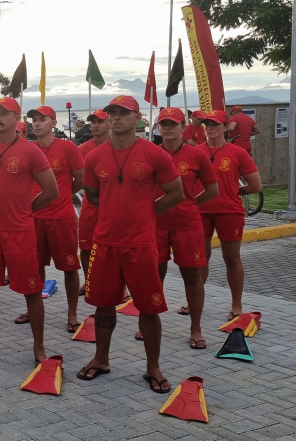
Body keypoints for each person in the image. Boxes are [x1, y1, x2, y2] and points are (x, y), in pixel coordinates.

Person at [78, 95, 183, 394]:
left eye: (124, 113)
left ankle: (152, 367)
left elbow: (176, 192)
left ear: (138, 118)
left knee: (149, 308)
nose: (116, 118)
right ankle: (101, 358)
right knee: (103, 304)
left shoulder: (154, 154)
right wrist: (115, 210)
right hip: (106, 242)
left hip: (141, 244)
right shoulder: (95, 157)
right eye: (112, 113)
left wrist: (147, 212)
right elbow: (92, 195)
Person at [0, 97, 58, 364]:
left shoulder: (30, 151)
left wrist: (26, 208)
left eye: (5, 113)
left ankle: (38, 347)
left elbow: (52, 191)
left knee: (31, 290)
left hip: (20, 230)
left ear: (18, 119)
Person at [148, 107, 218, 349]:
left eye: (172, 124)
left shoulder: (196, 155)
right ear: (157, 127)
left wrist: (188, 203)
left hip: (187, 226)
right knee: (154, 277)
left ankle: (196, 329)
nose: (167, 128)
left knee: (192, 277)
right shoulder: (150, 153)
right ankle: (148, 323)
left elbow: (212, 189)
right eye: (163, 124)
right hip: (156, 225)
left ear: (182, 126)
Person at [194, 109, 262, 320]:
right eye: (207, 124)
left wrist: (234, 190)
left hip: (229, 212)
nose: (210, 128)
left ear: (226, 127)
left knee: (231, 258)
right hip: (201, 212)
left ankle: (236, 304)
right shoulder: (196, 152)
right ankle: (195, 300)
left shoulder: (237, 152)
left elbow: (255, 185)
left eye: (215, 124)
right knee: (200, 260)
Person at [26, 105, 84, 332]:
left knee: (69, 267)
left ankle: (72, 313)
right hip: (33, 218)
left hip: (61, 217)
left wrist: (62, 195)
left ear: (54, 123)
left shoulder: (67, 148)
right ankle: (34, 309)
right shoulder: (28, 149)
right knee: (35, 266)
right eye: (34, 120)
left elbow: (80, 179)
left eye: (43, 119)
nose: (37, 124)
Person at [77, 110, 110, 288]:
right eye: (93, 122)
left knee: (113, 248)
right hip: (90, 204)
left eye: (100, 122)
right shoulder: (83, 149)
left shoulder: (116, 146)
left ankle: (121, 286)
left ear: (109, 123)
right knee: (86, 246)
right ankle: (89, 280)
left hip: (113, 205)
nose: (96, 125)